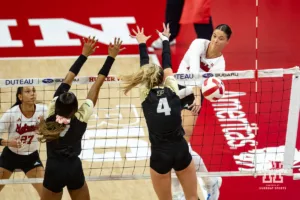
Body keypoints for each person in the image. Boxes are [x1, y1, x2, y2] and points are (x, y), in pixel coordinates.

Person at [37, 36, 125, 200]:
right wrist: (111, 57)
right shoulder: (81, 117)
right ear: (75, 110)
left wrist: (84, 54)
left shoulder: (50, 114)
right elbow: (97, 84)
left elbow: (68, 79)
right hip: (73, 169)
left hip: (53, 170)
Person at [122, 24, 198, 200]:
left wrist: (142, 43)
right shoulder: (172, 87)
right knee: (193, 198)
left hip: (160, 154)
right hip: (180, 149)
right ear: (163, 78)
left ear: (146, 79)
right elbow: (167, 64)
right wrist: (165, 39)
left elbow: (144, 66)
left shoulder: (145, 93)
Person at [174, 24, 232, 200]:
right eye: (214, 36)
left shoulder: (220, 65)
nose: (215, 41)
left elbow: (205, 85)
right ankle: (211, 180)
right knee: (170, 143)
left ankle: (182, 192)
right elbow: (192, 70)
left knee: (182, 143)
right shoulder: (199, 43)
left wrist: (198, 95)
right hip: (177, 88)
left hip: (192, 95)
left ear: (227, 42)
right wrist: (198, 94)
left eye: (220, 38)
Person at [0, 86, 47, 197]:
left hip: (31, 158)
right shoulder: (11, 114)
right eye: (28, 91)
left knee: (47, 195)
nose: (32, 94)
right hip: (10, 156)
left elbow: (55, 129)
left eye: (34, 91)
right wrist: (8, 142)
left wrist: (44, 127)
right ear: (20, 97)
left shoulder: (43, 110)